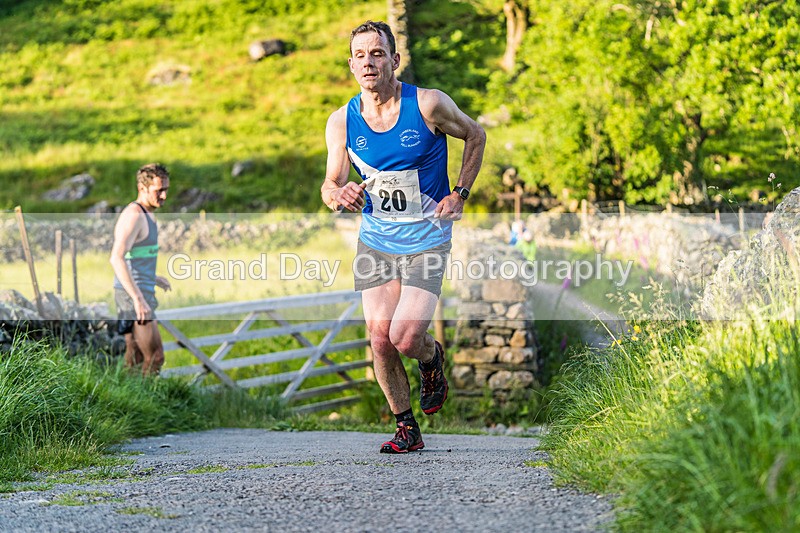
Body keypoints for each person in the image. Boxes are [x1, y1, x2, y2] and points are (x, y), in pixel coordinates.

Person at [321, 21, 486, 453]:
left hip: (427, 237)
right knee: (379, 336)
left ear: (395, 60)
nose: (369, 62)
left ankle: (431, 359)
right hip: (377, 239)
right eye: (360, 55)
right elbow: (329, 184)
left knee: (407, 336)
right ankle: (406, 427)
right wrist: (340, 193)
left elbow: (475, 135)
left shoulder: (428, 104)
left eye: (378, 53)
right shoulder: (341, 122)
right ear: (351, 65)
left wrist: (459, 194)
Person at [110, 163, 172, 375]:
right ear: (142, 188)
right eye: (158, 191)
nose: (163, 195)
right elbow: (116, 257)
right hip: (133, 294)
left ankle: (126, 403)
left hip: (137, 289)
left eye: (166, 190)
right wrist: (138, 299)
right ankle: (148, 404)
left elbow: (131, 257)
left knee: (135, 359)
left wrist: (152, 277)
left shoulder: (148, 214)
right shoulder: (134, 216)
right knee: (155, 357)